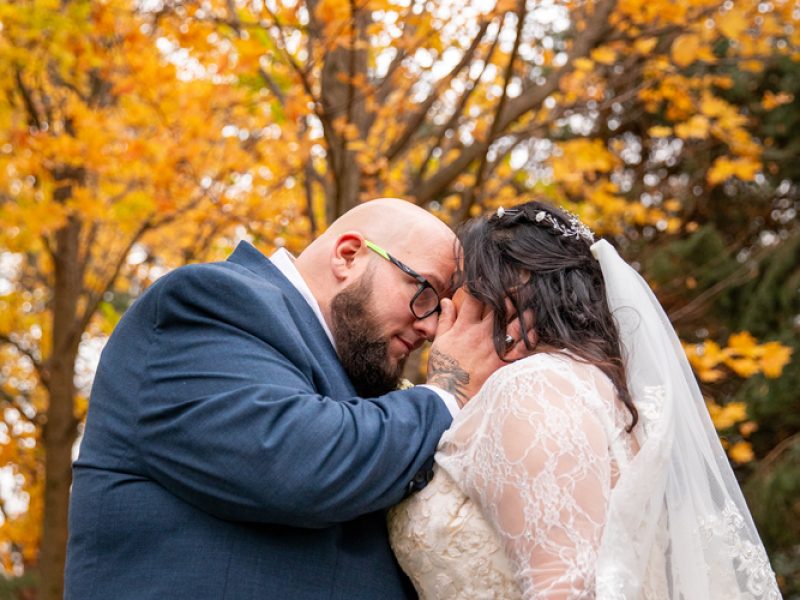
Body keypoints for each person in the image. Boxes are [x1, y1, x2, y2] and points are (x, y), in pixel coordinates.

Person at [65, 198, 511, 599]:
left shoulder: (365, 390)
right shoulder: (208, 303)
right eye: (426, 293)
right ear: (349, 255)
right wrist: (448, 393)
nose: (432, 328)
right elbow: (295, 461)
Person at [388, 200, 781, 599]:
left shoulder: (529, 391)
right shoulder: (604, 396)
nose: (439, 322)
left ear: (505, 297)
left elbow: (566, 590)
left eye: (460, 296)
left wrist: (449, 380)